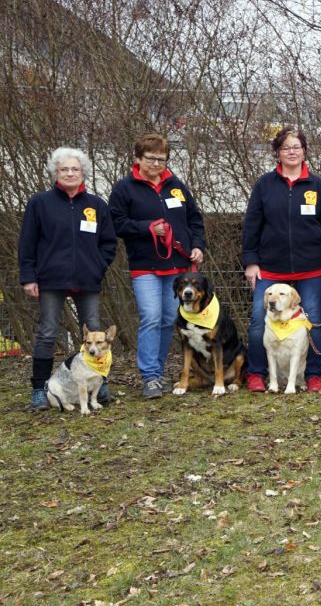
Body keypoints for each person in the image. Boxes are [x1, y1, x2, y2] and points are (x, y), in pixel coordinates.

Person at [108, 133, 206, 399]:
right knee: (150, 316)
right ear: (138, 159)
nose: (156, 163)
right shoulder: (124, 188)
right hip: (145, 266)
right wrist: (147, 228)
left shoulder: (176, 186)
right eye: (150, 158)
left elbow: (195, 219)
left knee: (168, 319)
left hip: (178, 267)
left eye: (161, 159)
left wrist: (198, 246)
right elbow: (116, 223)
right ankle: (149, 376)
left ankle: (159, 372)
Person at [19, 147, 117, 410]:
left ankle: (101, 384)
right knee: (48, 332)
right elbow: (27, 243)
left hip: (88, 279)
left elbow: (109, 243)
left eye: (75, 169)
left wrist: (98, 266)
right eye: (64, 169)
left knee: (96, 329)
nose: (70, 173)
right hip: (50, 279)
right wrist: (29, 277)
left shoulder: (97, 205)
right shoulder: (39, 203)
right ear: (55, 173)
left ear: (83, 172)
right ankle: (40, 389)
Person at [241, 126, 321, 392]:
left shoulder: (318, 186)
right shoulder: (264, 185)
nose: (292, 152)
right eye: (286, 148)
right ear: (277, 152)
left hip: (313, 268)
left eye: (296, 147)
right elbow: (252, 225)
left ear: (304, 151)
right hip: (270, 268)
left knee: (314, 320)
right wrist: (250, 261)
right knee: (259, 321)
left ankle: (314, 375)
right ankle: (257, 373)